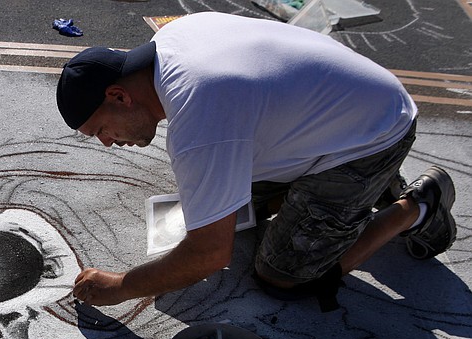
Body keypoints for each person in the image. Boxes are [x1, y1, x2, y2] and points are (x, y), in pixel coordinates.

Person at [56, 12, 456, 310]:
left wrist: (122, 285)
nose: (107, 143)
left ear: (119, 96)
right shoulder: (174, 36)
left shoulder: (201, 116)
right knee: (233, 204)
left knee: (285, 276)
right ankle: (372, 182)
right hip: (347, 107)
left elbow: (210, 255)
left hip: (373, 135)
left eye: (100, 130)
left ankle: (417, 205)